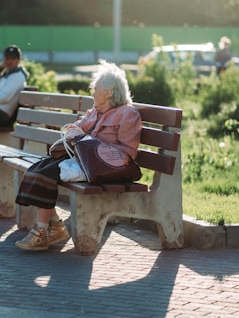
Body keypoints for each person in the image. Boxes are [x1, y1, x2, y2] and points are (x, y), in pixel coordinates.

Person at [13, 60, 142, 251]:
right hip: (79, 160)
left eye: (95, 87)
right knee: (36, 169)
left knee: (45, 173)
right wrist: (78, 137)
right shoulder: (94, 112)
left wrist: (95, 146)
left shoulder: (127, 114)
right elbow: (73, 130)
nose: (92, 91)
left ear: (107, 92)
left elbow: (127, 154)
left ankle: (42, 230)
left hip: (101, 168)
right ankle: (54, 225)